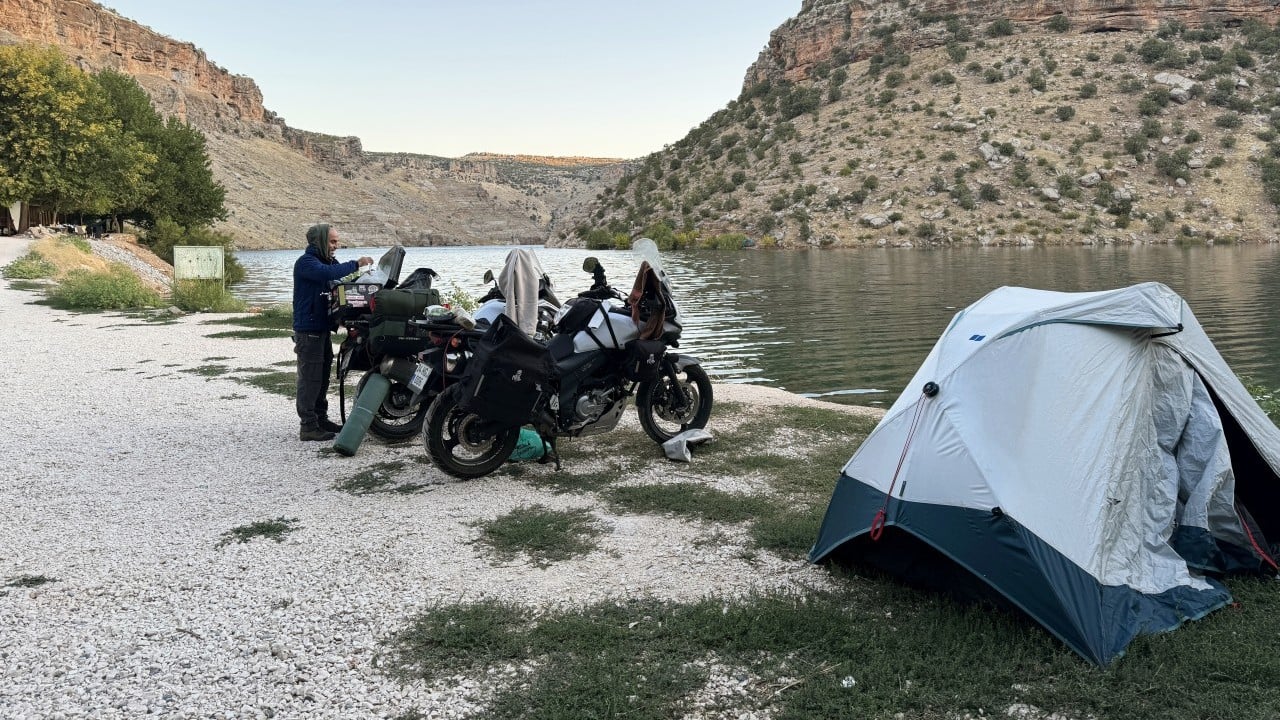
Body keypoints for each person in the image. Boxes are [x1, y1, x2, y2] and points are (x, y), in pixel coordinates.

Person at [292, 223, 373, 441]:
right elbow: (327, 274)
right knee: (310, 379)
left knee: (322, 377)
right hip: (309, 330)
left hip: (321, 329)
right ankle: (308, 426)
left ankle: (321, 418)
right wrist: (356, 264)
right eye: (332, 241)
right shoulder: (307, 263)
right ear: (320, 241)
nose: (336, 246)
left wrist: (365, 282)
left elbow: (339, 283)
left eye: (336, 241)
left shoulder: (326, 262)